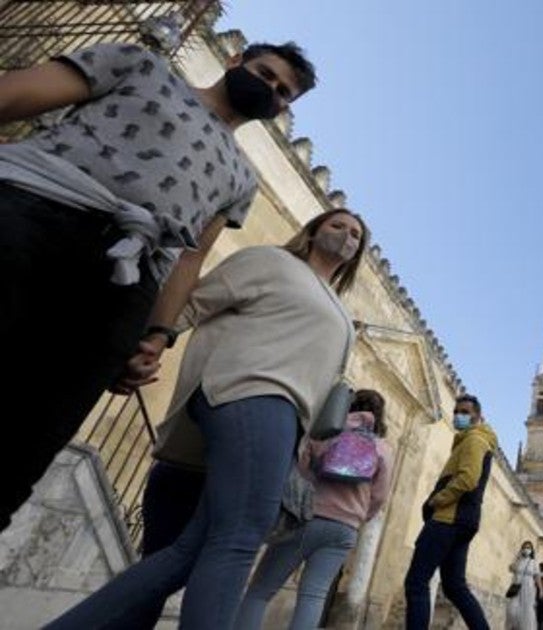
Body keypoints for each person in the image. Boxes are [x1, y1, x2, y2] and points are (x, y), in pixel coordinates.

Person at [0, 39, 316, 534]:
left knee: (26, 445)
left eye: (282, 93)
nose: (270, 90)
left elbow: (189, 258)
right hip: (35, 212)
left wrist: (157, 335)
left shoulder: (243, 179)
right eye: (265, 73)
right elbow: (17, 93)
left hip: (126, 282)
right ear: (234, 61)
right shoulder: (142, 66)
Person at [45, 208, 367, 629]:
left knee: (184, 554)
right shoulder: (272, 262)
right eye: (337, 225)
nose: (346, 235)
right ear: (311, 232)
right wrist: (150, 343)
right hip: (250, 390)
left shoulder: (343, 315)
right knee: (238, 539)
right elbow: (198, 299)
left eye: (356, 234)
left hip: (282, 424)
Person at [233, 389, 395, 630]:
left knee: (260, 591)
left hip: (306, 517)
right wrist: (359, 517)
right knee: (314, 597)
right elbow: (380, 496)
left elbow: (300, 469)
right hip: (344, 530)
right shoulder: (383, 449)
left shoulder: (325, 432)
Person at [404, 394, 498, 630]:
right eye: (456, 411)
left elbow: (468, 479)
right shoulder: (473, 440)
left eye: (465, 412)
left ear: (478, 416)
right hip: (463, 521)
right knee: (455, 586)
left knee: (416, 582)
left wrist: (437, 500)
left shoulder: (474, 440)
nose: (458, 416)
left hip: (449, 518)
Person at [507, 541, 541, 630]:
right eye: (525, 547)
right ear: (521, 549)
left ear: (532, 550)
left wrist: (541, 589)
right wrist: (516, 557)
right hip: (516, 588)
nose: (526, 549)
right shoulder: (518, 561)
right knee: (512, 611)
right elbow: (510, 568)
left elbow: (537, 576)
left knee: (526, 612)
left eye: (529, 547)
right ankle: (513, 627)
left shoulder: (534, 562)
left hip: (528, 589)